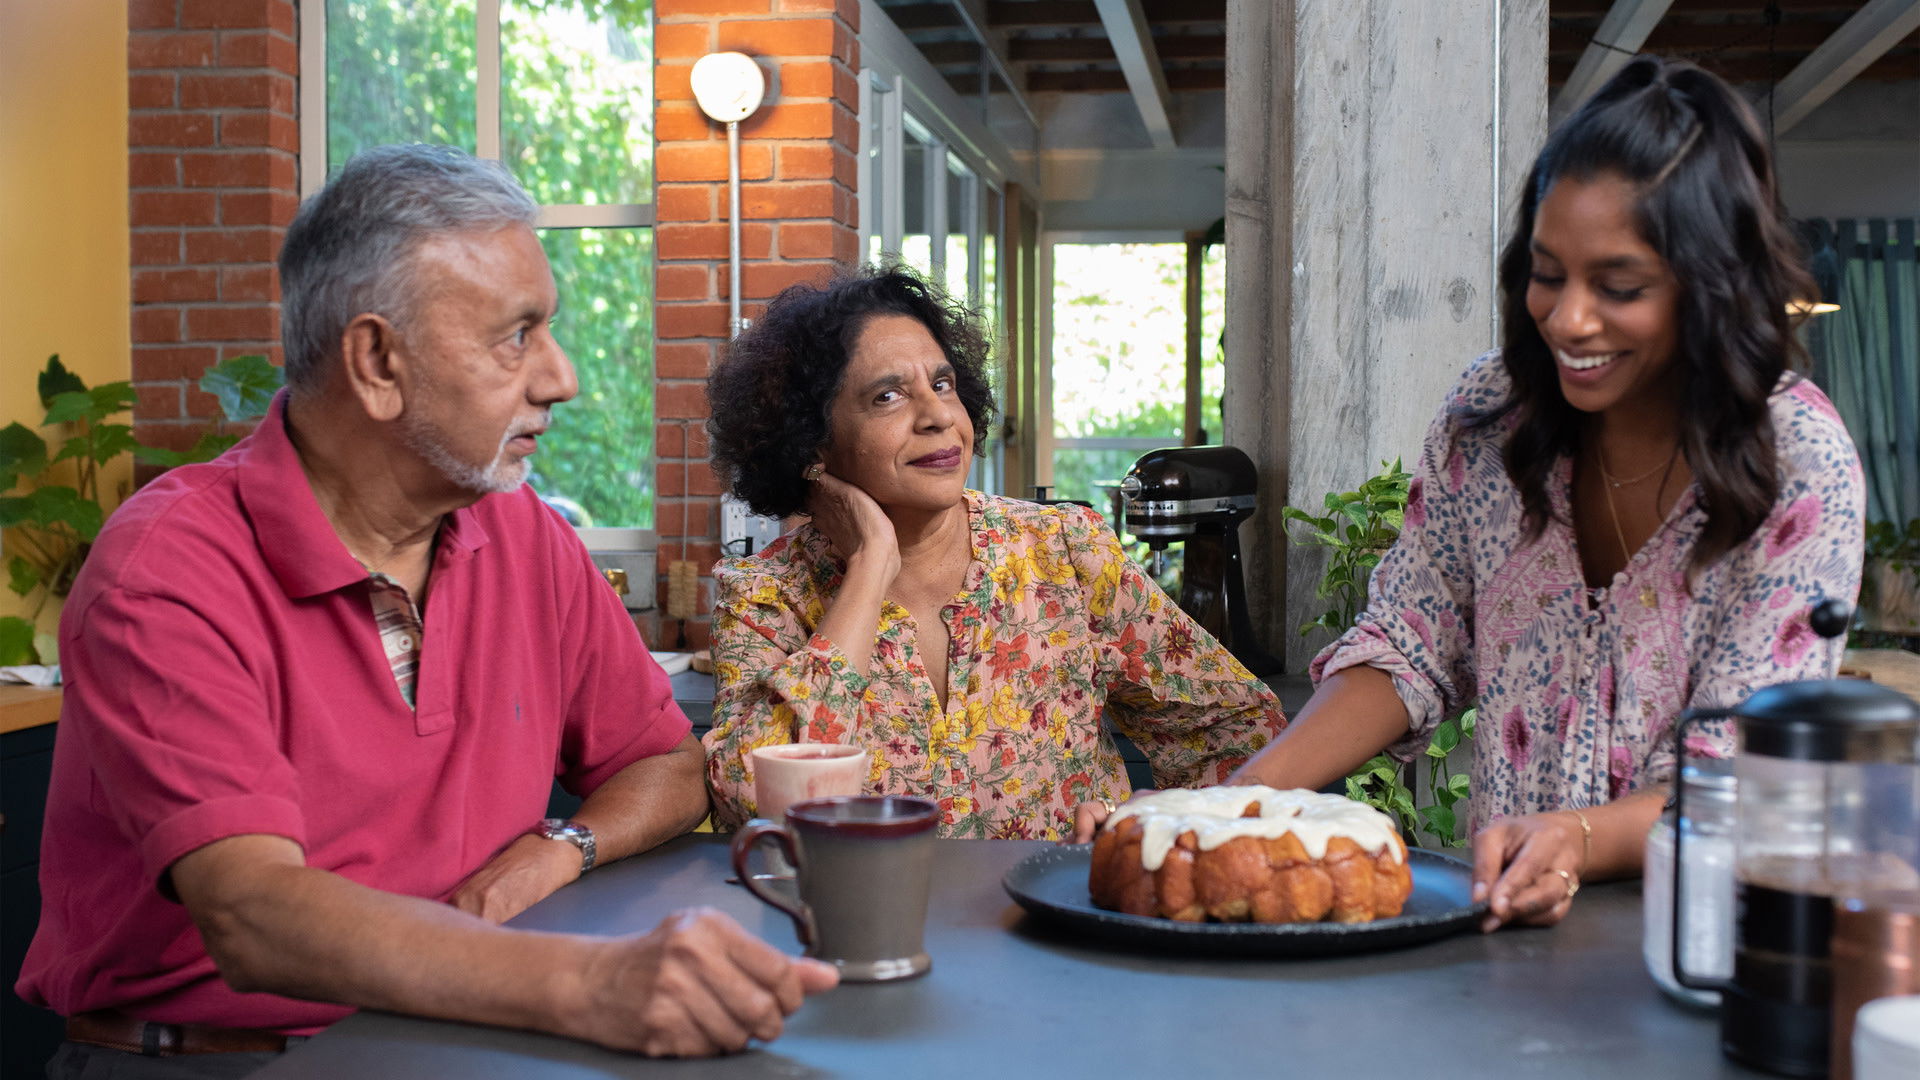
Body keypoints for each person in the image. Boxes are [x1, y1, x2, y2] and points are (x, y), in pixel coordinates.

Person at [17, 145, 835, 1076]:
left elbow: (663, 763)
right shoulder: (168, 567)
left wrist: (561, 846)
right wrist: (588, 986)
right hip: (219, 1061)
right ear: (376, 362)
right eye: (515, 335)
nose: (560, 378)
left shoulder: (521, 532)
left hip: (460, 1033)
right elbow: (251, 912)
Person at [1074, 56, 1865, 928]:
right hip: (1510, 938)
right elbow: (1410, 643)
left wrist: (1578, 837)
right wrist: (1231, 803)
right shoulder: (1492, 421)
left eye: (1620, 286)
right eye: (1548, 272)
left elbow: (1745, 773)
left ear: (1712, 285)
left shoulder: (1796, 462)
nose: (1567, 319)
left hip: (1712, 943)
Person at [701, 267, 1285, 840]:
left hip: (1055, 927)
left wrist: (1167, 827)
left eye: (943, 383)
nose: (937, 417)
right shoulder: (765, 593)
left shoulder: (1064, 552)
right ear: (811, 441)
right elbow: (748, 799)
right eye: (887, 397)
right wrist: (870, 566)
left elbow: (1239, 726)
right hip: (857, 930)